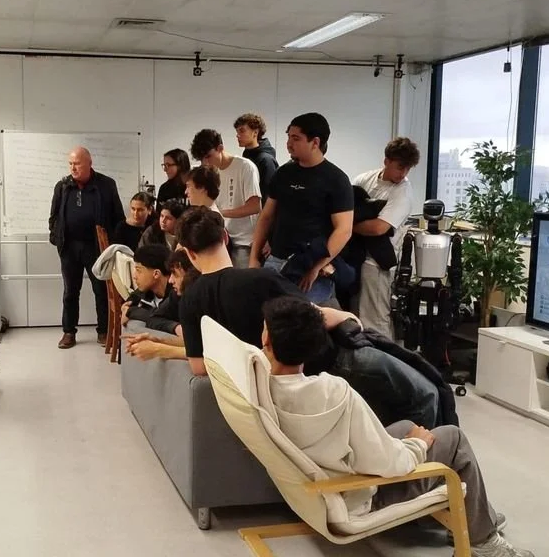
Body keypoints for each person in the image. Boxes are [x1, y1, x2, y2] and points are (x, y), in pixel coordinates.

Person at [260, 296, 530, 557]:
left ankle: (478, 515)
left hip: (321, 483)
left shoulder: (261, 384)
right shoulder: (335, 392)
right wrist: (418, 445)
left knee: (405, 426)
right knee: (453, 439)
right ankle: (483, 542)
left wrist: (410, 438)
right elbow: (390, 463)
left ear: (267, 341)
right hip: (357, 495)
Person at [177, 206, 441, 427]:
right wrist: (344, 315)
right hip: (330, 360)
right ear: (225, 237)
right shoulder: (260, 279)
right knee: (426, 393)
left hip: (279, 384)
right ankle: (427, 466)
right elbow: (311, 317)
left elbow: (199, 367)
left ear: (189, 253)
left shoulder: (190, 301)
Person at [250, 112, 353, 304]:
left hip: (310, 265)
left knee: (298, 315)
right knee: (263, 312)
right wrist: (253, 258)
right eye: (288, 137)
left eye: (296, 138)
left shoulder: (336, 180)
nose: (289, 144)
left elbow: (344, 230)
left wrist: (317, 267)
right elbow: (266, 216)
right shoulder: (284, 173)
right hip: (276, 260)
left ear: (315, 142)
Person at [48, 146, 124, 349]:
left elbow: (118, 216)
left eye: (77, 164)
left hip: (97, 247)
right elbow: (53, 216)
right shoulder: (62, 186)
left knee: (101, 290)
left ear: (89, 164)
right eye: (70, 164)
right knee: (70, 292)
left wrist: (112, 244)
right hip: (69, 247)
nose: (73, 168)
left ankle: (103, 331)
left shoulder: (106, 185)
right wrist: (56, 237)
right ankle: (69, 332)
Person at [351, 137, 420, 337]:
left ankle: (381, 357)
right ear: (386, 161)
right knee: (354, 318)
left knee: (375, 322)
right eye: (400, 167)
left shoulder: (403, 192)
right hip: (355, 258)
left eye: (407, 169)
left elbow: (378, 228)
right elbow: (344, 209)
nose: (403, 173)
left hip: (377, 264)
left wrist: (347, 227)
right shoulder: (364, 179)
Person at [191, 129, 261, 268]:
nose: (206, 162)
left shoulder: (245, 167)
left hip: (244, 242)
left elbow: (255, 206)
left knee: (240, 279)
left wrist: (221, 213)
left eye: (208, 156)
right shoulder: (211, 172)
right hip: (222, 240)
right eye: (202, 159)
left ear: (220, 148)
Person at [123, 249, 201, 359]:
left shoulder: (197, 297)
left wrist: (158, 348)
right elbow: (154, 318)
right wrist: (175, 328)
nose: (170, 280)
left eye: (175, 274)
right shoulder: (176, 294)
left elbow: (203, 350)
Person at [122, 244, 177, 334]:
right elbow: (133, 298)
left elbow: (157, 316)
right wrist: (127, 307)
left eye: (139, 270)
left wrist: (130, 311)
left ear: (156, 274)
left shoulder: (175, 293)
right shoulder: (147, 290)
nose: (134, 276)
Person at [235, 113, 279, 203]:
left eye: (242, 131)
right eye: (237, 132)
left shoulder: (266, 160)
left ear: (255, 132)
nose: (237, 135)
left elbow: (268, 196)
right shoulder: (246, 156)